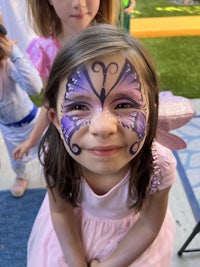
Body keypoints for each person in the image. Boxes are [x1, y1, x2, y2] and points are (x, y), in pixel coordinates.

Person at [27, 23, 177, 267]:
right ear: (54, 119)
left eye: (124, 104)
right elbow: (60, 212)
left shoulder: (158, 166)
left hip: (132, 247)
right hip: (71, 240)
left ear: (151, 112)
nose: (103, 127)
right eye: (78, 107)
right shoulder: (53, 158)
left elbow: (150, 224)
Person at [13, 0, 120, 162]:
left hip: (107, 136)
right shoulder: (45, 50)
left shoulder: (113, 44)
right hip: (67, 139)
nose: (78, 4)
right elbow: (50, 102)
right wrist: (31, 141)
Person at [0, 23, 42, 197]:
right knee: (16, 161)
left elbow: (35, 88)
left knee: (48, 154)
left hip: (33, 121)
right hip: (9, 128)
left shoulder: (8, 65)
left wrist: (15, 54)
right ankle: (21, 176)